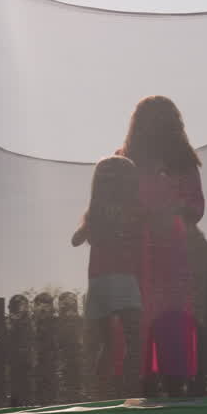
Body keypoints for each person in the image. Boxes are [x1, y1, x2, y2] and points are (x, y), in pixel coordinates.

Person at [116, 95, 204, 397]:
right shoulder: (124, 162)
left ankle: (173, 385)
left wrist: (171, 210)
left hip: (170, 250)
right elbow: (114, 205)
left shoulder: (182, 163)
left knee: (171, 316)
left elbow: (195, 207)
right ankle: (145, 385)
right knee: (139, 316)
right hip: (137, 253)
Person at [72, 155, 144, 378]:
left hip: (100, 279)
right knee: (133, 338)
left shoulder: (96, 211)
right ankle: (125, 387)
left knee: (110, 343)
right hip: (121, 277)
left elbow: (75, 240)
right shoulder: (127, 210)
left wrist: (90, 226)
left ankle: (104, 389)